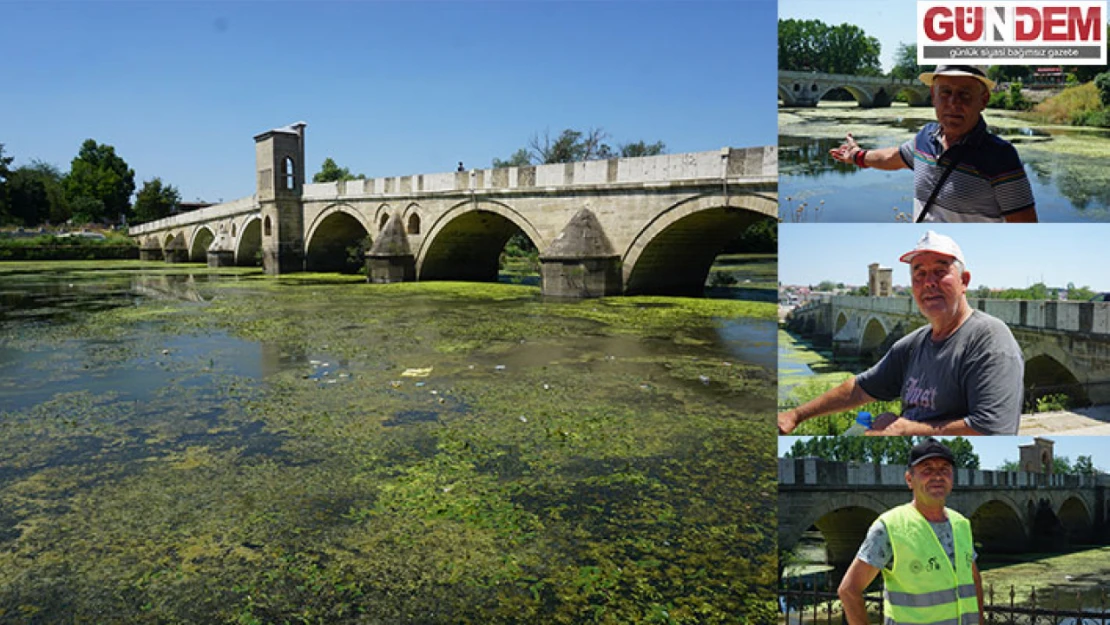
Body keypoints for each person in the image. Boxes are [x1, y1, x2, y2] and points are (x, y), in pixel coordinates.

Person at [777, 231, 1023, 435]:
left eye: (940, 271)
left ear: (964, 281)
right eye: (919, 273)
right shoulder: (914, 343)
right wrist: (796, 415)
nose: (929, 282)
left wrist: (907, 429)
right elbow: (860, 388)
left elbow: (992, 429)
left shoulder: (989, 338)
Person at [830, 65, 1037, 223]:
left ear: (983, 100)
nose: (953, 103)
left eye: (965, 94)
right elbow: (893, 158)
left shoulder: (1001, 156)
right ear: (933, 97)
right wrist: (857, 155)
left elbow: (1025, 226)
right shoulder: (925, 137)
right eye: (945, 92)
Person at [837, 438, 984, 625]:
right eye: (927, 470)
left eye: (944, 470)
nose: (937, 476)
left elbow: (974, 581)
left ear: (952, 477)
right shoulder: (890, 527)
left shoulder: (961, 524)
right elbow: (849, 590)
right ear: (909, 479)